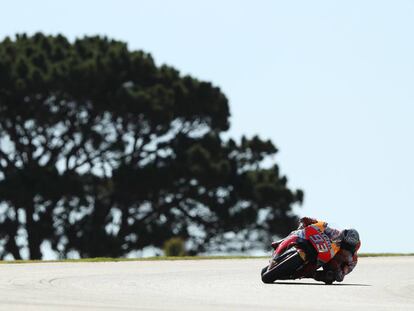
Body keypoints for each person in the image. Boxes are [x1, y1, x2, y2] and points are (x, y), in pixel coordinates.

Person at [272, 217, 361, 283]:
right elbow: (322, 226)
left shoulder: (353, 260)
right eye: (343, 245)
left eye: (348, 248)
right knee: (304, 227)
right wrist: (312, 221)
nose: (344, 249)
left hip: (328, 263)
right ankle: (283, 241)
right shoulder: (335, 234)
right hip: (320, 246)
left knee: (330, 277)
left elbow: (342, 275)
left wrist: (338, 272)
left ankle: (308, 274)